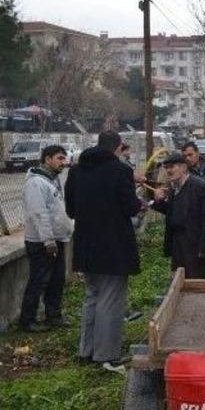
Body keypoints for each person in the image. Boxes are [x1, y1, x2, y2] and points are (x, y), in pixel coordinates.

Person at [65, 131, 142, 372]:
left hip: (86, 245)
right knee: (110, 300)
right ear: (118, 148)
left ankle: (86, 350)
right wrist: (141, 203)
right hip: (113, 246)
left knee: (92, 297)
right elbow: (130, 208)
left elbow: (70, 210)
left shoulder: (76, 171)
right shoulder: (121, 171)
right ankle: (106, 355)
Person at [19, 145, 72, 332]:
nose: (64, 163)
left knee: (56, 280)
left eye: (64, 158)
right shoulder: (35, 183)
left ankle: (53, 315)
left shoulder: (52, 180)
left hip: (56, 239)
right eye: (60, 158)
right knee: (39, 281)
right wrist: (48, 241)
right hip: (41, 242)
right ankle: (27, 320)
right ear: (47, 159)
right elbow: (39, 213)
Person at [151, 152, 205, 279]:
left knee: (195, 284)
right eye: (166, 168)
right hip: (178, 244)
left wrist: (204, 248)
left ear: (183, 167)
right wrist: (157, 201)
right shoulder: (174, 188)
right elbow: (173, 211)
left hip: (195, 245)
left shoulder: (199, 186)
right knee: (178, 283)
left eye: (172, 166)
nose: (169, 170)